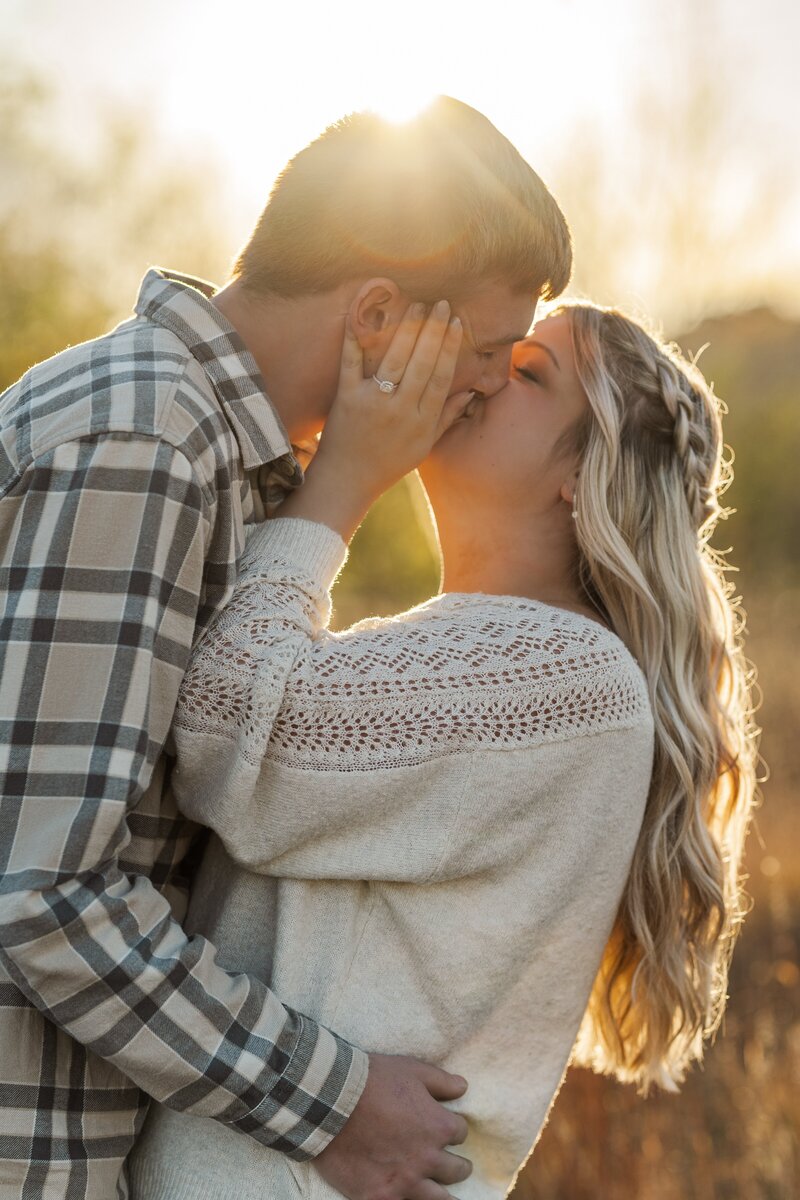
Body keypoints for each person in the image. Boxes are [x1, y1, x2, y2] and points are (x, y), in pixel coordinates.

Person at [0, 97, 572, 1200]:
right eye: (490, 349)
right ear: (376, 316)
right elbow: (44, 887)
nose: (494, 384)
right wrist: (334, 1103)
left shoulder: (212, 454)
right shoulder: (146, 442)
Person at [126, 302, 759, 1198]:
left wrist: (341, 476)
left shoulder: (558, 675)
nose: (484, 373)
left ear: (584, 471)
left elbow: (226, 733)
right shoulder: (488, 657)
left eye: (530, 372)